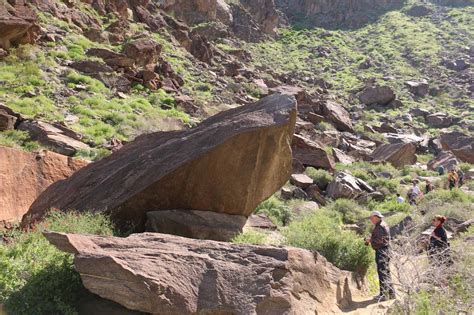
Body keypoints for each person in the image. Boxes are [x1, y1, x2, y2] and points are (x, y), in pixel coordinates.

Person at [365, 211, 396, 301]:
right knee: (386, 272)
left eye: (371, 218)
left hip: (381, 251)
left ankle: (383, 295)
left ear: (376, 217)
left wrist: (370, 240)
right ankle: (391, 294)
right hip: (386, 250)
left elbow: (380, 241)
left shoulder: (379, 226)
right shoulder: (383, 224)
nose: (371, 220)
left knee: (382, 273)